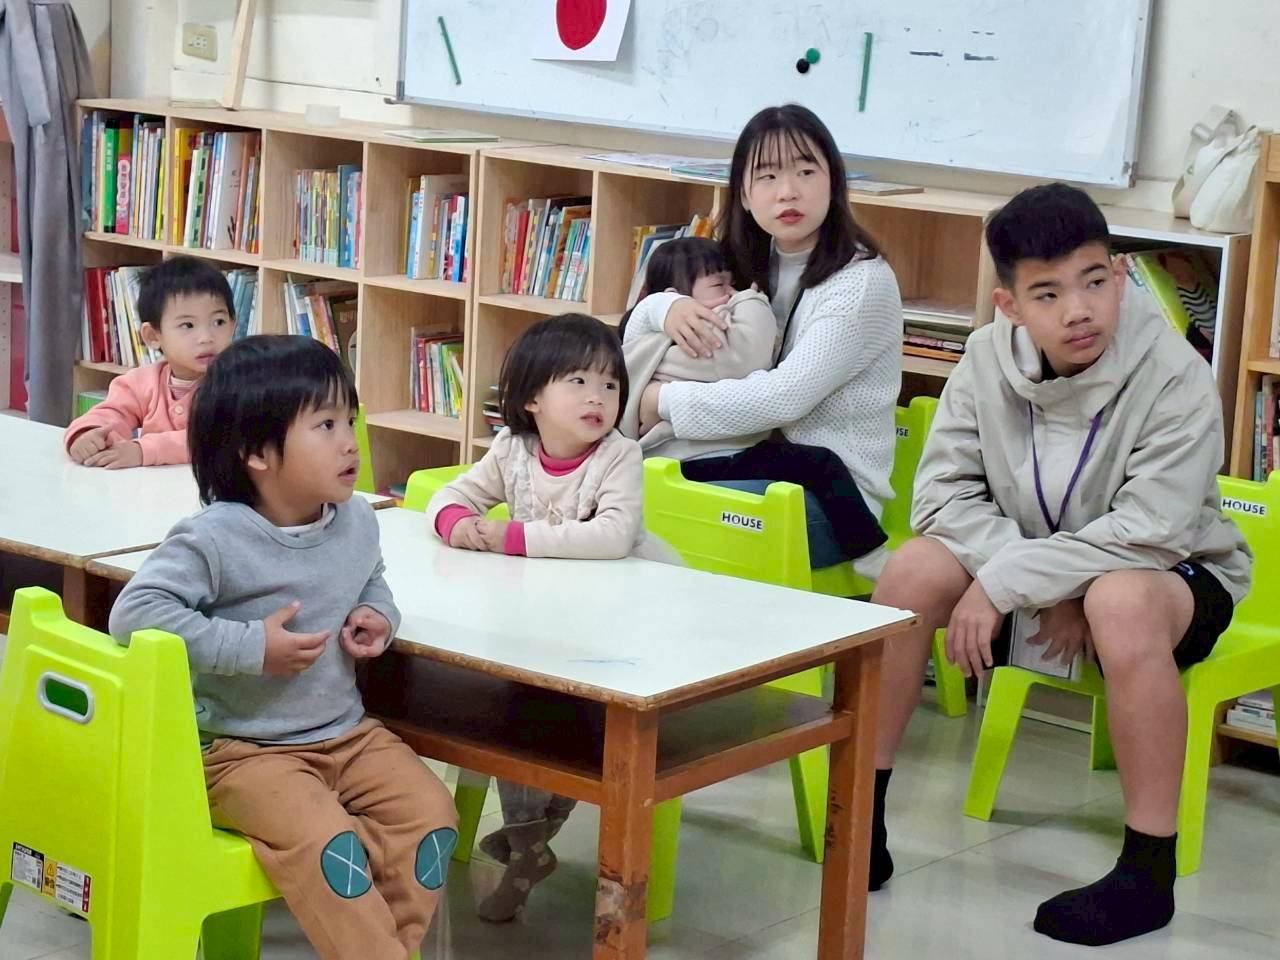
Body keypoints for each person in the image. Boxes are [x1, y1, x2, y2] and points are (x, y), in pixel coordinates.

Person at [870, 183, 1252, 946]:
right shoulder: (985, 358)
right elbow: (940, 498)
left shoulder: (1175, 373)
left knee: (1120, 600)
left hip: (1174, 573)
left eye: (1094, 281)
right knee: (912, 570)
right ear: (1010, 305)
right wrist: (1029, 577)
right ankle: (861, 817)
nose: (1079, 310)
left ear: (1118, 272)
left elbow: (1154, 530)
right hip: (1032, 558)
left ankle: (1148, 872)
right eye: (1048, 293)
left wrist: (1010, 582)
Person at [110, 335, 457, 960]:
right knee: (330, 847)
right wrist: (251, 647)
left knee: (432, 819)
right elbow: (134, 614)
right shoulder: (214, 537)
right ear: (256, 453)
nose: (350, 441)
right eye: (325, 425)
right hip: (240, 751)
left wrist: (378, 614)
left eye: (349, 420)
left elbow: (370, 577)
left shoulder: (357, 518)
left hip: (346, 735)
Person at [426, 312, 676, 922]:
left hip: (617, 628)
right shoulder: (513, 450)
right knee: (510, 708)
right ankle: (529, 845)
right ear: (531, 399)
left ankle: (528, 842)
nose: (598, 397)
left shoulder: (618, 454)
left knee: (569, 724)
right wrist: (458, 525)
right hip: (543, 622)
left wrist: (511, 537)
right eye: (578, 382)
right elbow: (451, 496)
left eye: (610, 384)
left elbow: (613, 535)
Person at [628, 104, 901, 576]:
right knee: (609, 496)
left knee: (656, 519)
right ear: (745, 194)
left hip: (830, 497)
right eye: (768, 176)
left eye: (806, 171)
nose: (788, 191)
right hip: (729, 458)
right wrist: (663, 307)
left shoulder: (860, 282)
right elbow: (629, 343)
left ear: (834, 182)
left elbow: (784, 398)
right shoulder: (740, 263)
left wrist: (661, 400)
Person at [65, 256, 235, 468]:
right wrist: (87, 434)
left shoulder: (238, 384)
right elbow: (112, 412)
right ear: (153, 336)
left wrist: (143, 451)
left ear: (233, 325)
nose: (206, 337)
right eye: (188, 325)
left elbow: (216, 439)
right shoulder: (143, 382)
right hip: (152, 485)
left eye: (218, 322)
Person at [618, 236, 775, 457]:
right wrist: (752, 299)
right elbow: (747, 353)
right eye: (719, 285)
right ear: (679, 297)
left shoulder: (650, 336)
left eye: (733, 284)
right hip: (699, 456)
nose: (731, 293)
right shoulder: (700, 334)